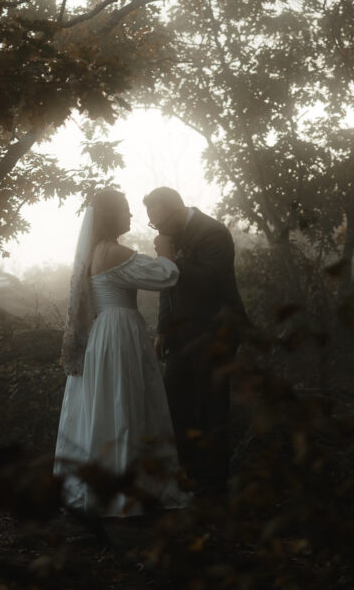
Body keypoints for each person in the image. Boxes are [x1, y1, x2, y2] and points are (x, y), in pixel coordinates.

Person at [53, 189, 190, 516]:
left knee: (108, 405)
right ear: (111, 216)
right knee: (125, 404)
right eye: (126, 210)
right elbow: (165, 276)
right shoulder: (113, 252)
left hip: (102, 332)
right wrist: (167, 251)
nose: (131, 217)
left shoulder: (94, 252)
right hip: (119, 331)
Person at [143, 186, 247, 498]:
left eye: (160, 224)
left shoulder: (212, 232)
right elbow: (167, 283)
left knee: (212, 409)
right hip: (179, 337)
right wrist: (163, 329)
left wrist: (169, 257)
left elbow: (210, 282)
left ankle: (214, 489)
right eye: (154, 226)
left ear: (177, 209)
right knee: (176, 407)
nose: (158, 230)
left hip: (216, 334)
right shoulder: (171, 236)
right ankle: (186, 480)